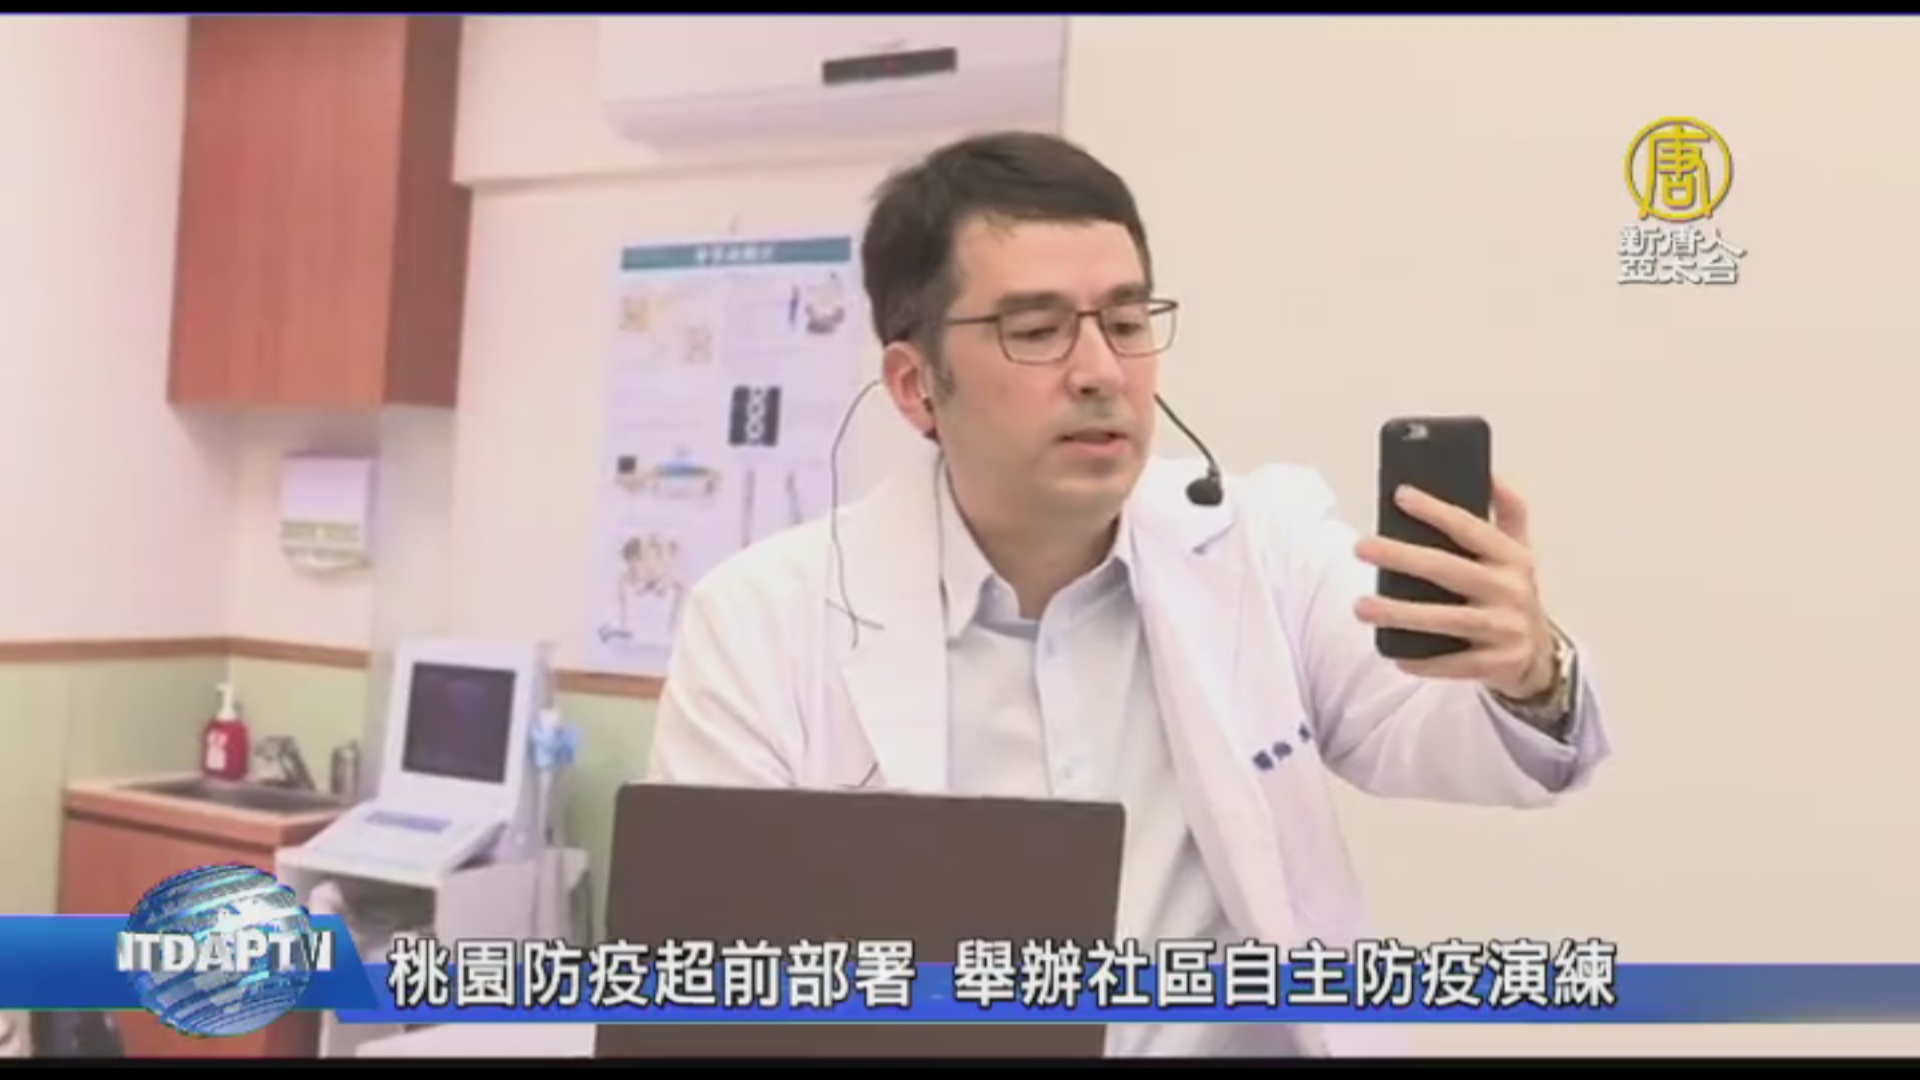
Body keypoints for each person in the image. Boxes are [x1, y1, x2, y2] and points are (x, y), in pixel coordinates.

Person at [644, 130, 1612, 1058]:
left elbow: (1453, 741)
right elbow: (712, 980)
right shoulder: (764, 619)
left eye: (1126, 322)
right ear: (914, 384)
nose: (1101, 372)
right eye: (1036, 332)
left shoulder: (1262, 543)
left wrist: (1529, 671)